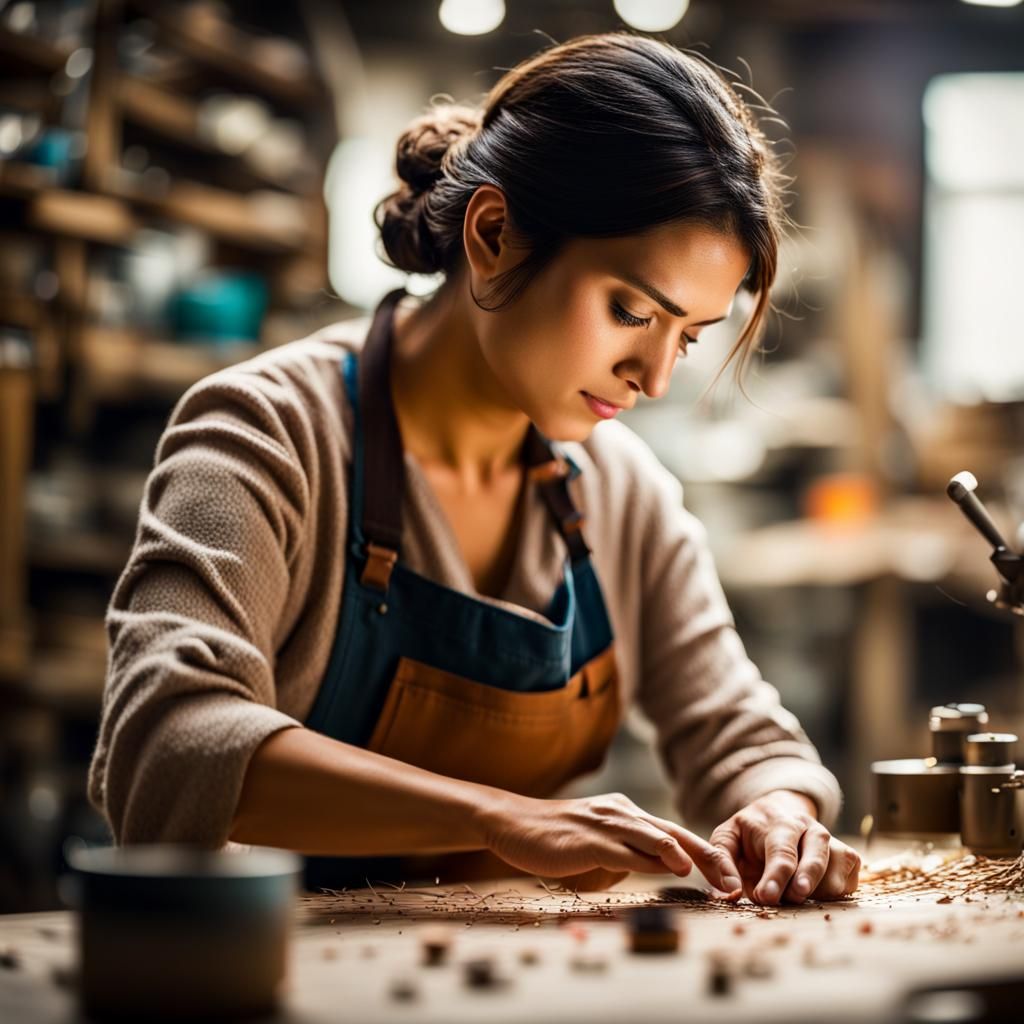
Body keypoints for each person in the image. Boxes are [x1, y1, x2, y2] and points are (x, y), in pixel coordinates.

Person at [88, 31, 861, 905]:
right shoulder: (266, 434)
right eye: (630, 310)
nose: (653, 377)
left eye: (687, 336)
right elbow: (169, 743)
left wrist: (779, 808)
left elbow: (740, 735)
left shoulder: (620, 491)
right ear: (492, 233)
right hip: (269, 974)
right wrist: (498, 817)